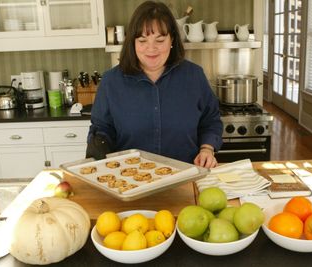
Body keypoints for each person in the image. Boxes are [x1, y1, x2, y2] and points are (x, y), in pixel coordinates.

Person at [86, 1, 223, 168]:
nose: (151, 49)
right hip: (129, 182)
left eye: (160, 40)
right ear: (133, 43)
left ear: (172, 39)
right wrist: (97, 151)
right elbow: (102, 129)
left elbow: (211, 120)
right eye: (142, 40)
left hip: (185, 177)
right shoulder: (111, 82)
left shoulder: (194, 76)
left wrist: (207, 149)